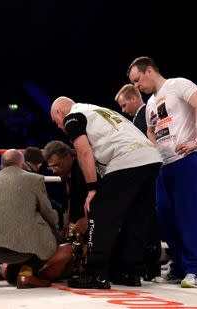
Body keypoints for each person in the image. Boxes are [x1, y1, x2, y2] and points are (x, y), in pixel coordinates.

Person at [50, 97, 163, 289]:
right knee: (136, 217)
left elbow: (83, 151)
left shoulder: (72, 117)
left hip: (126, 159)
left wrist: (92, 188)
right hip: (151, 158)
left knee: (100, 212)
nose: (59, 127)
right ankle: (130, 272)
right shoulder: (97, 109)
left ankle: (95, 273)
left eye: (55, 121)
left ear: (60, 113)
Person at [127, 56, 197, 288]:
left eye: (137, 80)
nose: (136, 86)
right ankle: (179, 267)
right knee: (166, 220)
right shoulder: (150, 106)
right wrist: (154, 150)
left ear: (149, 71)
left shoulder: (178, 84)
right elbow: (150, 131)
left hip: (186, 159)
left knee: (188, 216)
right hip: (164, 167)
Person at [0, 149, 58, 289]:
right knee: (53, 231)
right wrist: (56, 228)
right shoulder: (35, 179)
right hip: (24, 251)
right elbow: (47, 211)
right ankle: (26, 274)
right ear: (22, 164)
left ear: (1, 166)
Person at [115, 83, 162, 281]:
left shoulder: (145, 115)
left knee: (149, 220)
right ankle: (148, 267)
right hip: (145, 174)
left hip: (149, 174)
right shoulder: (137, 119)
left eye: (124, 105)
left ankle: (152, 268)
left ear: (134, 99)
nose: (123, 110)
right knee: (144, 220)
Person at [39, 140, 88, 281]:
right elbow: (69, 200)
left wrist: (87, 218)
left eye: (57, 165)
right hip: (77, 223)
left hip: (93, 221)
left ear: (68, 157)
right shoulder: (66, 174)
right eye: (51, 167)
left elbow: (98, 195)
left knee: (65, 253)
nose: (54, 170)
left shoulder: (83, 168)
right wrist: (67, 224)